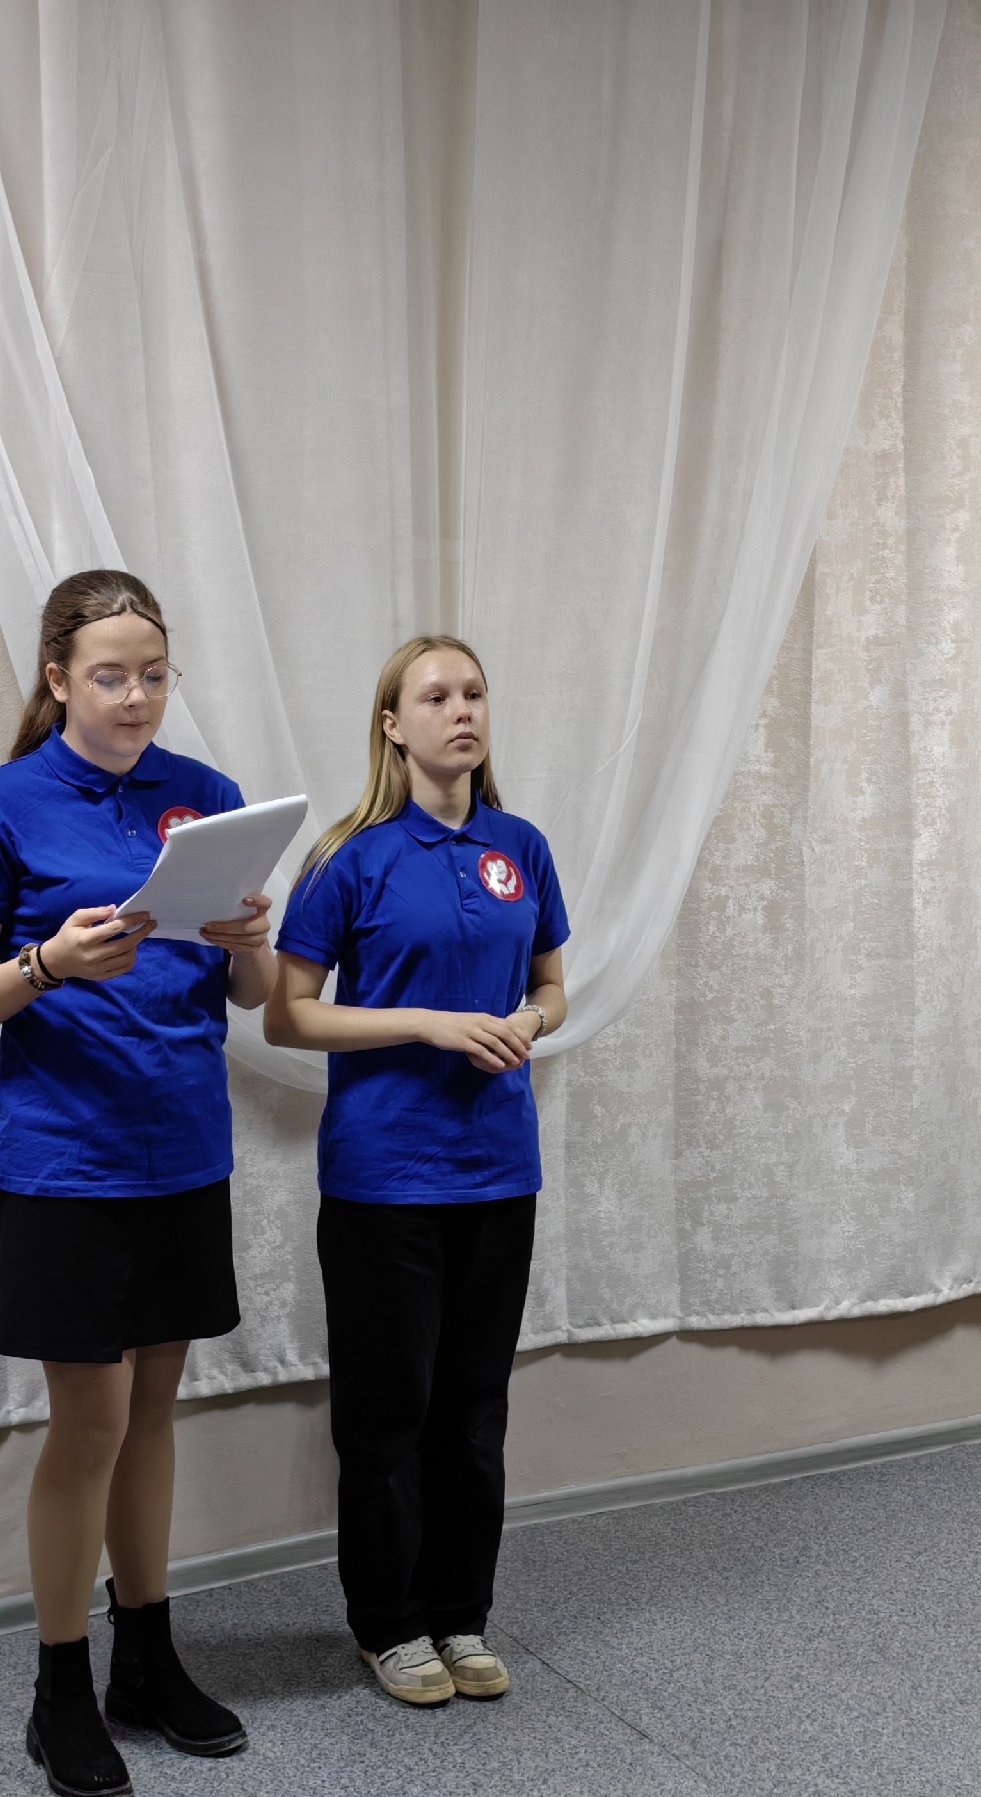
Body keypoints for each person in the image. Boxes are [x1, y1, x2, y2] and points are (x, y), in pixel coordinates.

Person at [0, 570, 274, 1797]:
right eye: (111, 675)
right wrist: (47, 964)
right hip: (63, 1161)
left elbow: (247, 997)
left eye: (154, 674)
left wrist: (250, 945)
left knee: (155, 1415)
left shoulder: (209, 799)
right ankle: (60, 1688)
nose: (136, 696)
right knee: (91, 1423)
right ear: (60, 679)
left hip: (182, 1149)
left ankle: (148, 1660)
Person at [264, 635, 569, 1708]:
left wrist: (529, 1023)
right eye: (435, 696)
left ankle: (460, 1614)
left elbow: (552, 988)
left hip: (499, 1171)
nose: (461, 710)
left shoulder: (520, 847)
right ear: (393, 726)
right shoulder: (349, 857)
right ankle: (387, 1625)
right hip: (384, 1177)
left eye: (473, 692)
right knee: (388, 1412)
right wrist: (428, 1025)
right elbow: (288, 1014)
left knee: (474, 1410)